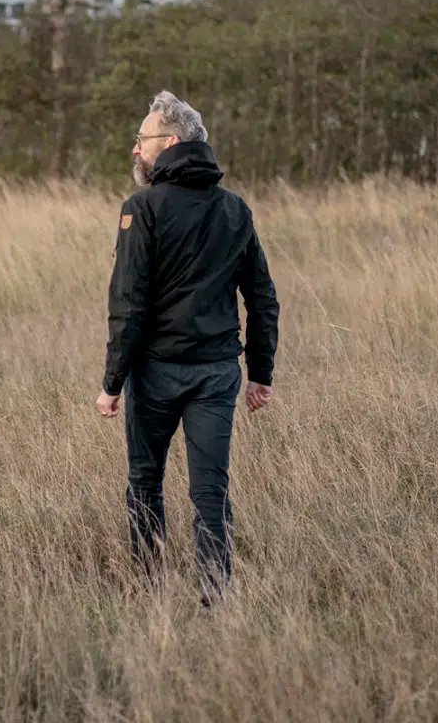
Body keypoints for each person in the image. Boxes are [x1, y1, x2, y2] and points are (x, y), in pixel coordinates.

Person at [96, 91, 280, 605]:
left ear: (171, 143)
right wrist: (260, 372)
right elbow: (262, 297)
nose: (136, 150)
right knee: (210, 492)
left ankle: (151, 595)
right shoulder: (235, 209)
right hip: (218, 373)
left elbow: (127, 304)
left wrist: (112, 382)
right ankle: (215, 600)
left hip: (154, 374)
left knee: (145, 483)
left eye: (143, 140)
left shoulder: (142, 208)